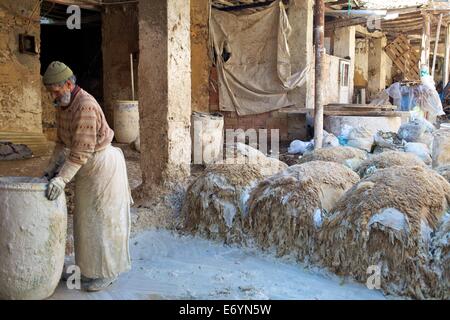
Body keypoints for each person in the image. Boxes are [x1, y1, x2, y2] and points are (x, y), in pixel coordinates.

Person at [42, 61, 132, 292]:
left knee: (103, 221)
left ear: (69, 84)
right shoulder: (62, 105)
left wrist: (61, 179)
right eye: (49, 91)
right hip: (86, 166)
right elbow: (62, 144)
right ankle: (88, 270)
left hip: (102, 166)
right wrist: (49, 170)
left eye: (55, 90)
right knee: (86, 222)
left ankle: (107, 273)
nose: (52, 96)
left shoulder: (85, 106)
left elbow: (81, 151)